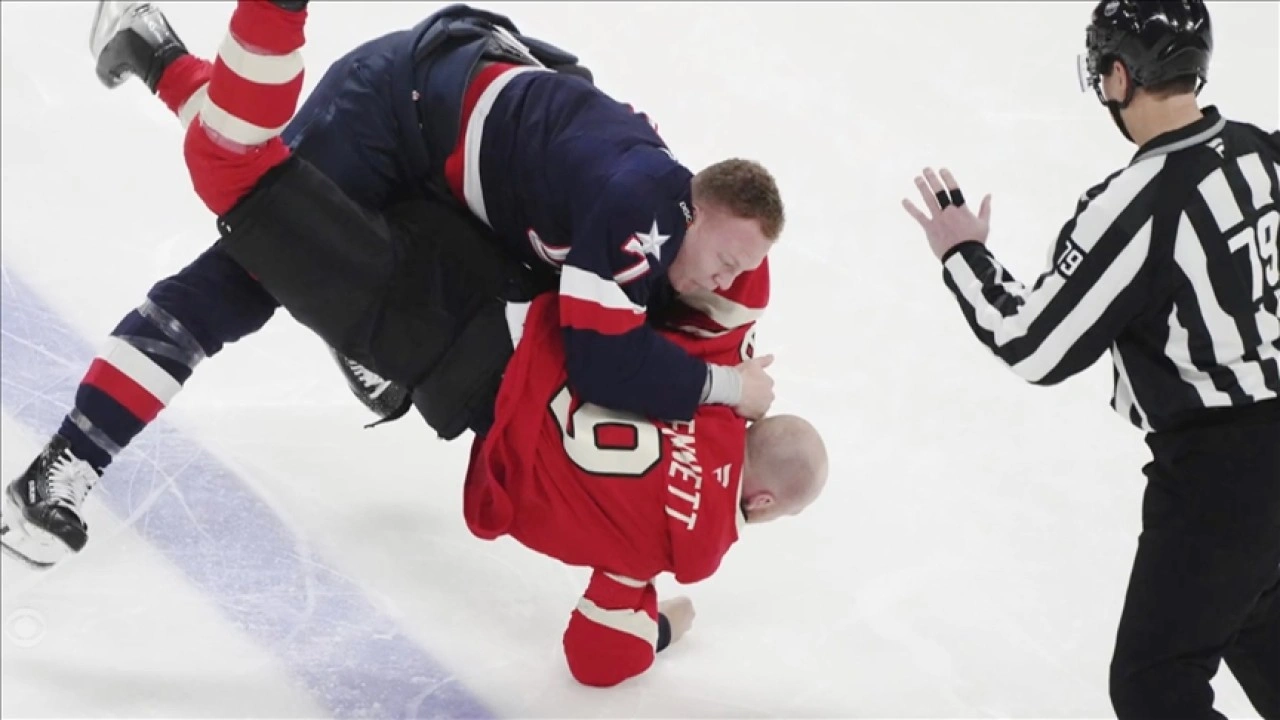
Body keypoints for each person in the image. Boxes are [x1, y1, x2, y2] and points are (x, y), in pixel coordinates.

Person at [1, 1, 783, 567]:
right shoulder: (640, 210)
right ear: (698, 204)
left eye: (742, 270)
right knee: (246, 265)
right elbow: (604, 363)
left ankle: (150, 47)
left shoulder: (671, 224)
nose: (730, 278)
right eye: (729, 256)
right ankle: (66, 463)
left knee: (461, 291)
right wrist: (723, 386)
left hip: (457, 153)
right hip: (391, 110)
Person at [902, 1, 1279, 717]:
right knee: (1256, 627)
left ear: (1117, 75)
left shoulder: (1138, 204)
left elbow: (1036, 345)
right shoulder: (1261, 149)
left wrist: (963, 255)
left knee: (1155, 682)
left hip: (1220, 478)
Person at [464, 273, 827, 687]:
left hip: (522, 317)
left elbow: (734, 282)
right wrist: (661, 628)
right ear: (764, 501)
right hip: (473, 408)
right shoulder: (683, 546)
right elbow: (595, 660)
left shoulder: (722, 382)